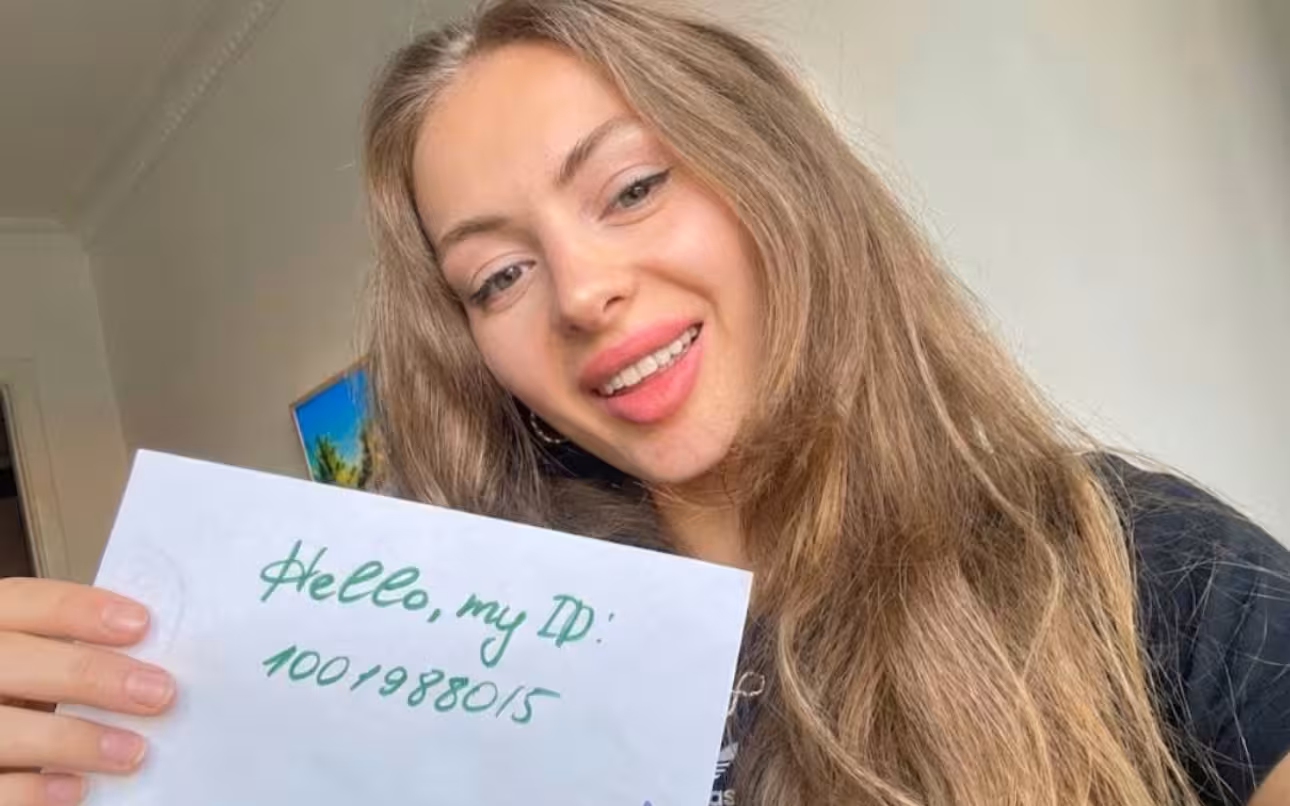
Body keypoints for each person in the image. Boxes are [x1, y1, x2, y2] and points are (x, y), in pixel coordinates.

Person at [0, 1, 1286, 804]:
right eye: (498, 275)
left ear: (776, 181)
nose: (581, 290)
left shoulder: (1134, 568)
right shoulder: (459, 666)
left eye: (629, 188)